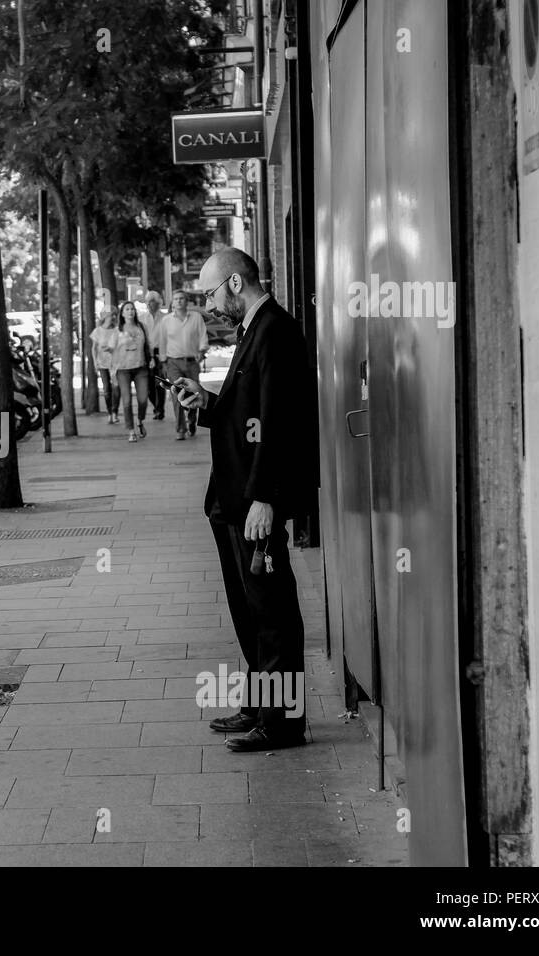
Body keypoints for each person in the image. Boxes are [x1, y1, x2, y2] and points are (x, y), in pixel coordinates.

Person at [173, 248, 316, 752]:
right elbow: (249, 413)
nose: (209, 305)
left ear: (236, 283)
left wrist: (266, 499)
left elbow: (280, 423)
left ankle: (283, 724)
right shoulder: (253, 328)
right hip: (233, 497)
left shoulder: (275, 329)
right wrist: (209, 403)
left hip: (255, 500)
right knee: (249, 609)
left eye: (211, 293)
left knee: (272, 612)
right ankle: (261, 705)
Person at [155, 290, 209, 440]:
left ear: (187, 302)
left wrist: (202, 350)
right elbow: (162, 342)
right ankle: (180, 428)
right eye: (176, 299)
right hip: (173, 362)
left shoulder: (196, 317)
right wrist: (164, 362)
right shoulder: (166, 321)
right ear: (172, 302)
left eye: (181, 299)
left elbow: (203, 336)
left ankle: (192, 420)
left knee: (194, 392)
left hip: (192, 362)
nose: (178, 301)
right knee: (176, 393)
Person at [112, 300, 151, 442]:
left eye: (132, 309)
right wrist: (112, 372)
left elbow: (148, 345)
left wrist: (151, 358)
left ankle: (140, 421)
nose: (130, 311)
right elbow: (113, 351)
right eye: (127, 309)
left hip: (141, 367)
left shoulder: (141, 327)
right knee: (127, 401)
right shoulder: (118, 330)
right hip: (123, 370)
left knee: (143, 400)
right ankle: (131, 430)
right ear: (122, 313)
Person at [89, 307, 119, 424]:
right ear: (105, 316)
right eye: (112, 315)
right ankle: (110, 413)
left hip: (115, 364)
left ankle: (115, 411)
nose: (113, 317)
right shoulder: (97, 331)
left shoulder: (117, 330)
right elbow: (93, 348)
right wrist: (95, 362)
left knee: (116, 388)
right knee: (106, 389)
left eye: (115, 315)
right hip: (102, 364)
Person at [143, 292, 168, 420]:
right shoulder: (142, 318)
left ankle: (160, 410)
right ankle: (156, 406)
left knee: (159, 383)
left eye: (151, 301)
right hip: (146, 354)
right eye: (147, 302)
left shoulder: (166, 317)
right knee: (148, 386)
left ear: (157, 303)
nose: (148, 304)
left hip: (160, 352)